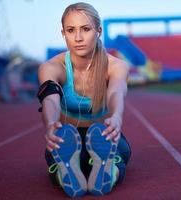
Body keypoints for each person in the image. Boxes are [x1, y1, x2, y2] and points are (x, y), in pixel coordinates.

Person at [37, 2, 131, 198]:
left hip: (103, 135)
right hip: (67, 139)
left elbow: (115, 92)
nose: (78, 38)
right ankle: (99, 170)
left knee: (117, 148)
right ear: (63, 33)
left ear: (98, 31)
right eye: (71, 30)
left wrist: (116, 118)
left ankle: (81, 173)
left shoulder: (116, 66)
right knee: (117, 155)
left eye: (85, 29)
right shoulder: (53, 67)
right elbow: (51, 99)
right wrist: (51, 124)